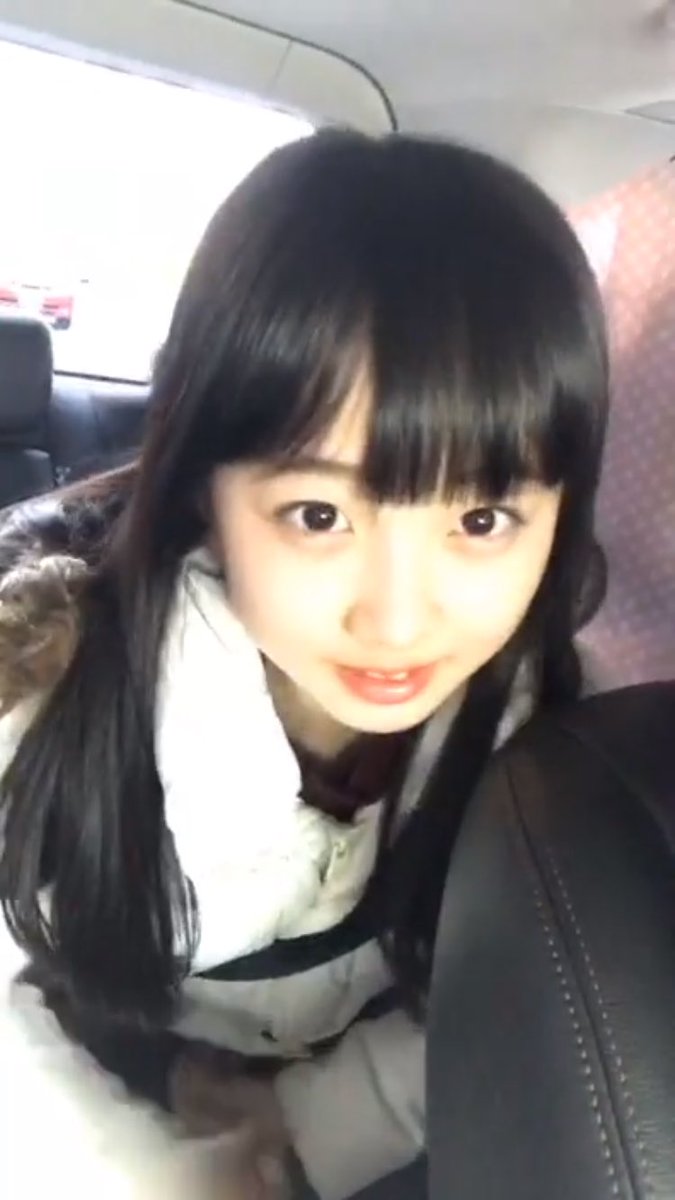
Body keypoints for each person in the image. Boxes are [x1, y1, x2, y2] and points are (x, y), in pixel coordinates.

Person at [0, 129, 608, 1200]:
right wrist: (167, 1177)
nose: (398, 619)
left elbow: (517, 982)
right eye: (320, 515)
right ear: (206, 488)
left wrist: (318, 1131)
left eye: (480, 519)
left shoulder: (548, 731)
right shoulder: (49, 687)